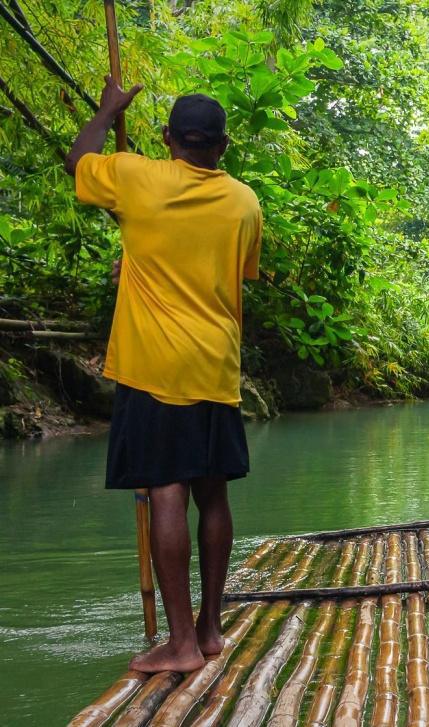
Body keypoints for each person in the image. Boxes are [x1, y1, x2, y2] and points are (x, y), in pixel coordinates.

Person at [66, 79, 262, 674]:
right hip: (216, 362)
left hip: (155, 366)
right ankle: (208, 629)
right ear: (222, 148)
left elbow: (78, 161)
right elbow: (237, 277)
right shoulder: (245, 203)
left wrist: (106, 112)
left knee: (166, 490)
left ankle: (179, 645)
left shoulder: (135, 176)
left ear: (168, 139)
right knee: (213, 492)